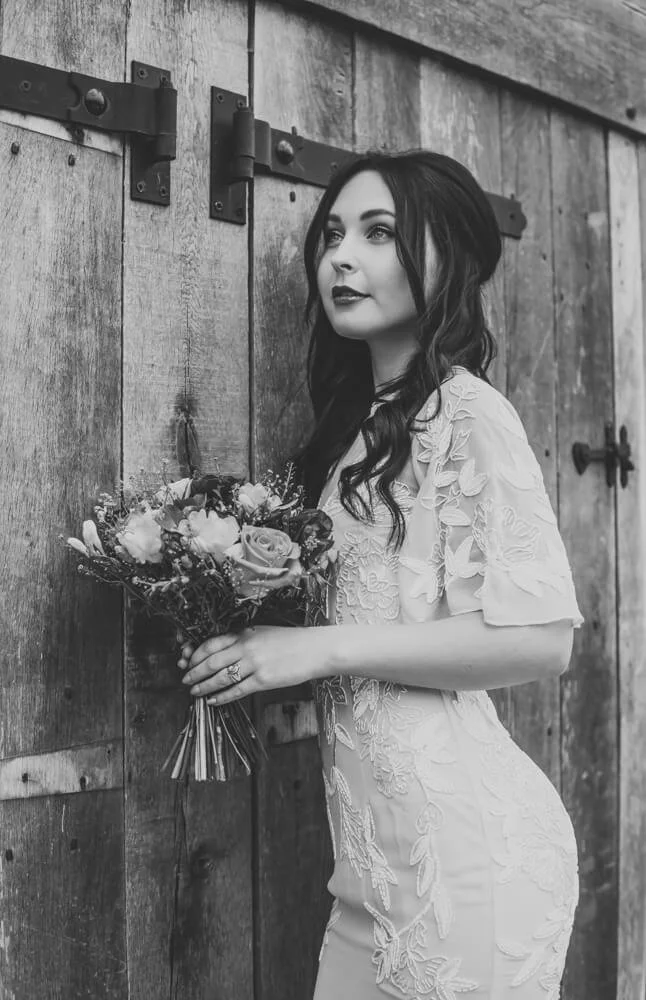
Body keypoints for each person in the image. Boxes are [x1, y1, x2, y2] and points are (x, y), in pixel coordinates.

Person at [178, 150, 584, 999]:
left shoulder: (468, 411)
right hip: (368, 872)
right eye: (332, 235)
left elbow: (541, 639)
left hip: (467, 864)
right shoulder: (355, 437)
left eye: (379, 233)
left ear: (451, 262)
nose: (341, 258)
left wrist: (313, 650)